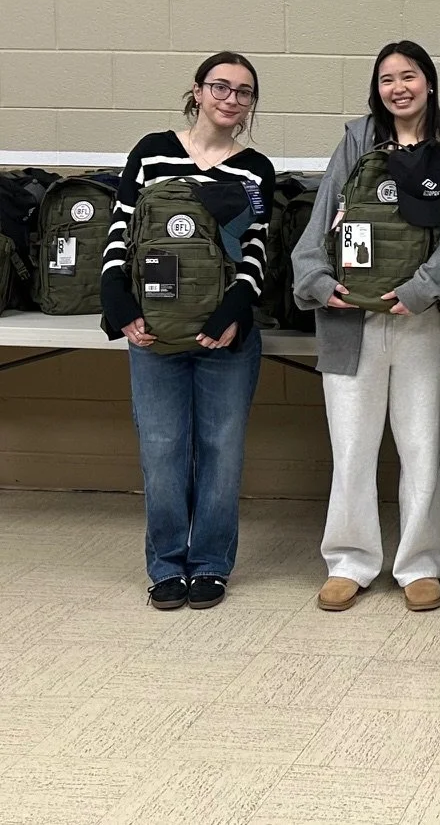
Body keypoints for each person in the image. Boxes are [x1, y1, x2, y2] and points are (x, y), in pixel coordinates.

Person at [290, 41, 440, 613]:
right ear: (376, 89)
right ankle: (349, 560)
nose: (398, 88)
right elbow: (321, 217)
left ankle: (420, 564)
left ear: (430, 82)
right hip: (350, 322)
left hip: (421, 321)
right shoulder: (356, 142)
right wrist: (322, 284)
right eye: (387, 79)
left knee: (422, 446)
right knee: (351, 447)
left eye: (410, 76)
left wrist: (420, 289)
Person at [100, 51, 275, 611]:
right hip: (153, 334)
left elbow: (256, 249)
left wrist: (235, 312)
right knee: (161, 448)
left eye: (243, 92)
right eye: (220, 87)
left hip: (225, 339)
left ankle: (211, 564)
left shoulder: (255, 170)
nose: (231, 98)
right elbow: (120, 231)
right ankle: (166, 563)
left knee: (222, 449)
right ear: (197, 91)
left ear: (250, 105)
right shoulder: (152, 152)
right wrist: (118, 301)